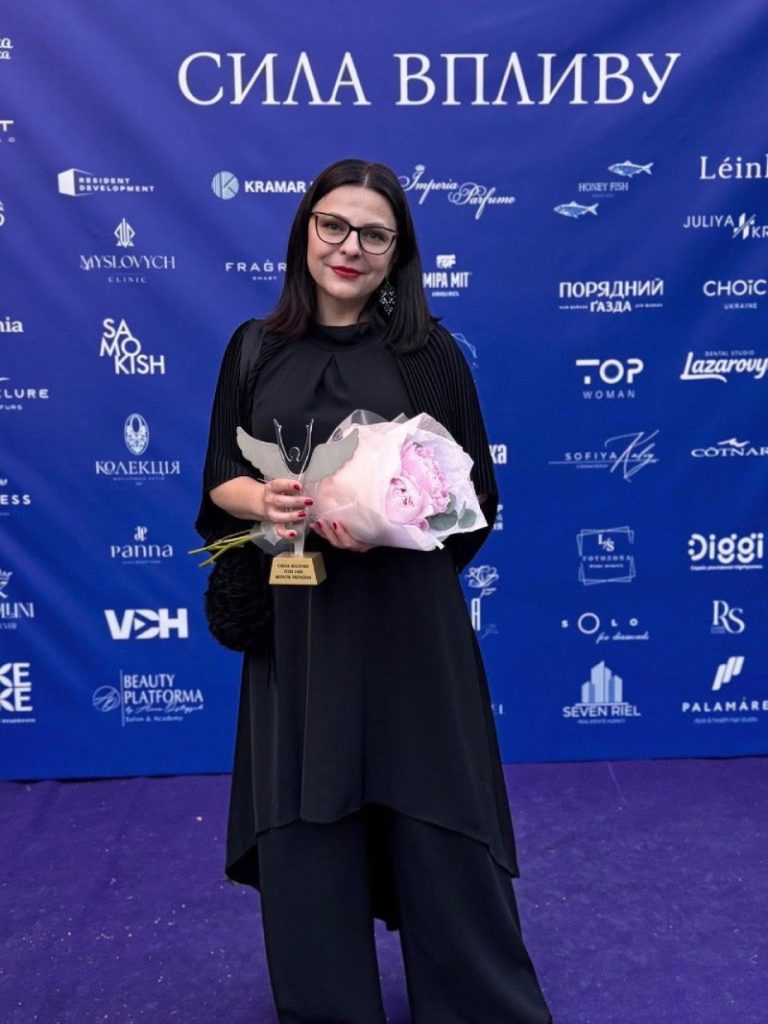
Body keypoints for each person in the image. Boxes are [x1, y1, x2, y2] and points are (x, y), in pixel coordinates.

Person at [196, 158, 552, 1024]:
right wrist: (269, 502)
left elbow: (475, 500)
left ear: (398, 254)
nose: (349, 247)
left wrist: (390, 529)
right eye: (333, 225)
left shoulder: (428, 355)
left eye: (373, 235)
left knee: (438, 807)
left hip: (409, 620)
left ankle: (475, 1007)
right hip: (298, 620)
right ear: (304, 232)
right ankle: (329, 1008)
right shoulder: (253, 347)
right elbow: (218, 482)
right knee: (307, 820)